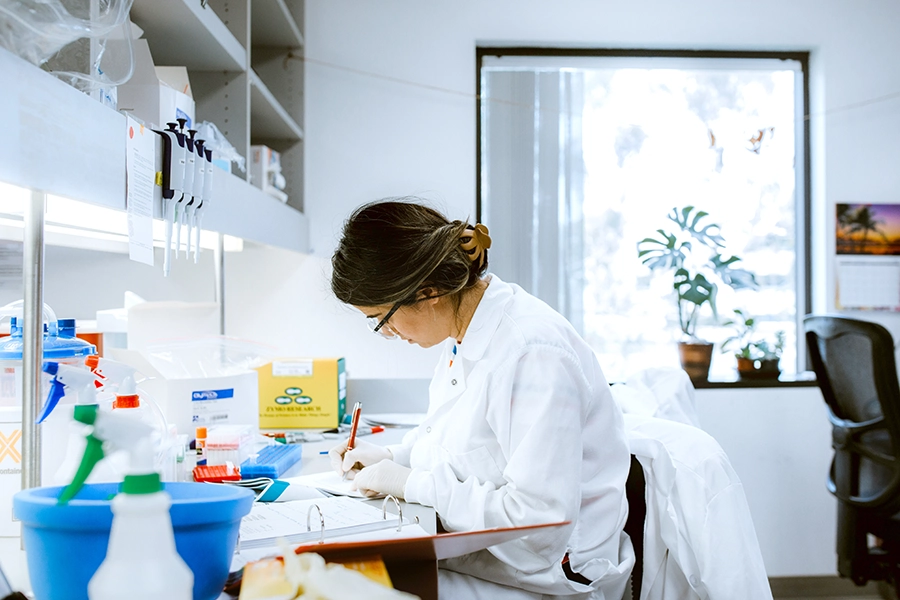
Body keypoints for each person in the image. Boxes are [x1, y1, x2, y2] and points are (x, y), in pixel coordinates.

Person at [328, 198, 635, 600]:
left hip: (550, 573)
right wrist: (392, 458)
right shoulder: (464, 332)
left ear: (428, 292)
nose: (387, 333)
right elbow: (457, 444)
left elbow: (538, 525)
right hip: (489, 552)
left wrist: (412, 483)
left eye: (381, 318)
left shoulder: (532, 353)